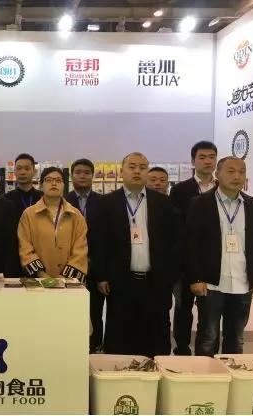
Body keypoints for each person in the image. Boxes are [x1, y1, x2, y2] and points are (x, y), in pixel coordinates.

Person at [93, 152, 178, 357]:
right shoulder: (106, 203)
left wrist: (169, 275)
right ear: (121, 171)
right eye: (132, 167)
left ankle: (154, 369)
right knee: (120, 333)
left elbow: (174, 241)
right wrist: (101, 275)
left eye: (142, 167)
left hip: (155, 281)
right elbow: (99, 242)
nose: (137, 171)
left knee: (156, 333)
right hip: (120, 280)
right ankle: (119, 372)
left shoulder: (163, 203)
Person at [187, 157, 253, 356]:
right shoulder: (201, 203)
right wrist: (196, 278)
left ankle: (232, 374)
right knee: (208, 337)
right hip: (212, 283)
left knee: (236, 338)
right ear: (218, 174)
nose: (237, 176)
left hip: (242, 283)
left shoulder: (252, 205)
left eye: (241, 172)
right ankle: (206, 374)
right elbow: (191, 244)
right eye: (231, 171)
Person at [170, 141, 218, 355]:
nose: (208, 161)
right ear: (193, 161)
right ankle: (181, 349)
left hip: (214, 260)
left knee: (210, 311)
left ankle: (207, 354)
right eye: (202, 157)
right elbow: (177, 227)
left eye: (212, 157)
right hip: (186, 260)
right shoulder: (180, 190)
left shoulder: (222, 188)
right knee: (183, 308)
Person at [18, 167, 87, 281]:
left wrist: (63, 278)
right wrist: (43, 276)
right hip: (38, 281)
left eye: (58, 180)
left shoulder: (76, 215)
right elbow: (25, 248)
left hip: (69, 282)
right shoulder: (29, 214)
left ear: (64, 186)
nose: (54, 183)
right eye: (48, 180)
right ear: (41, 186)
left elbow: (81, 250)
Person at [65, 158, 104, 353]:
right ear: (71, 176)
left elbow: (106, 238)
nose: (82, 176)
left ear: (93, 176)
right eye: (78, 172)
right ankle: (71, 349)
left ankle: (95, 348)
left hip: (95, 266)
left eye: (87, 172)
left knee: (95, 310)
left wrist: (102, 272)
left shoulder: (103, 202)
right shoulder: (62, 201)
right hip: (68, 265)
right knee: (70, 309)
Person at [4, 153, 43, 219]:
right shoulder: (5, 199)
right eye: (19, 168)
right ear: (14, 172)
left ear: (34, 171)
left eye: (27, 169)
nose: (22, 172)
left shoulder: (42, 198)